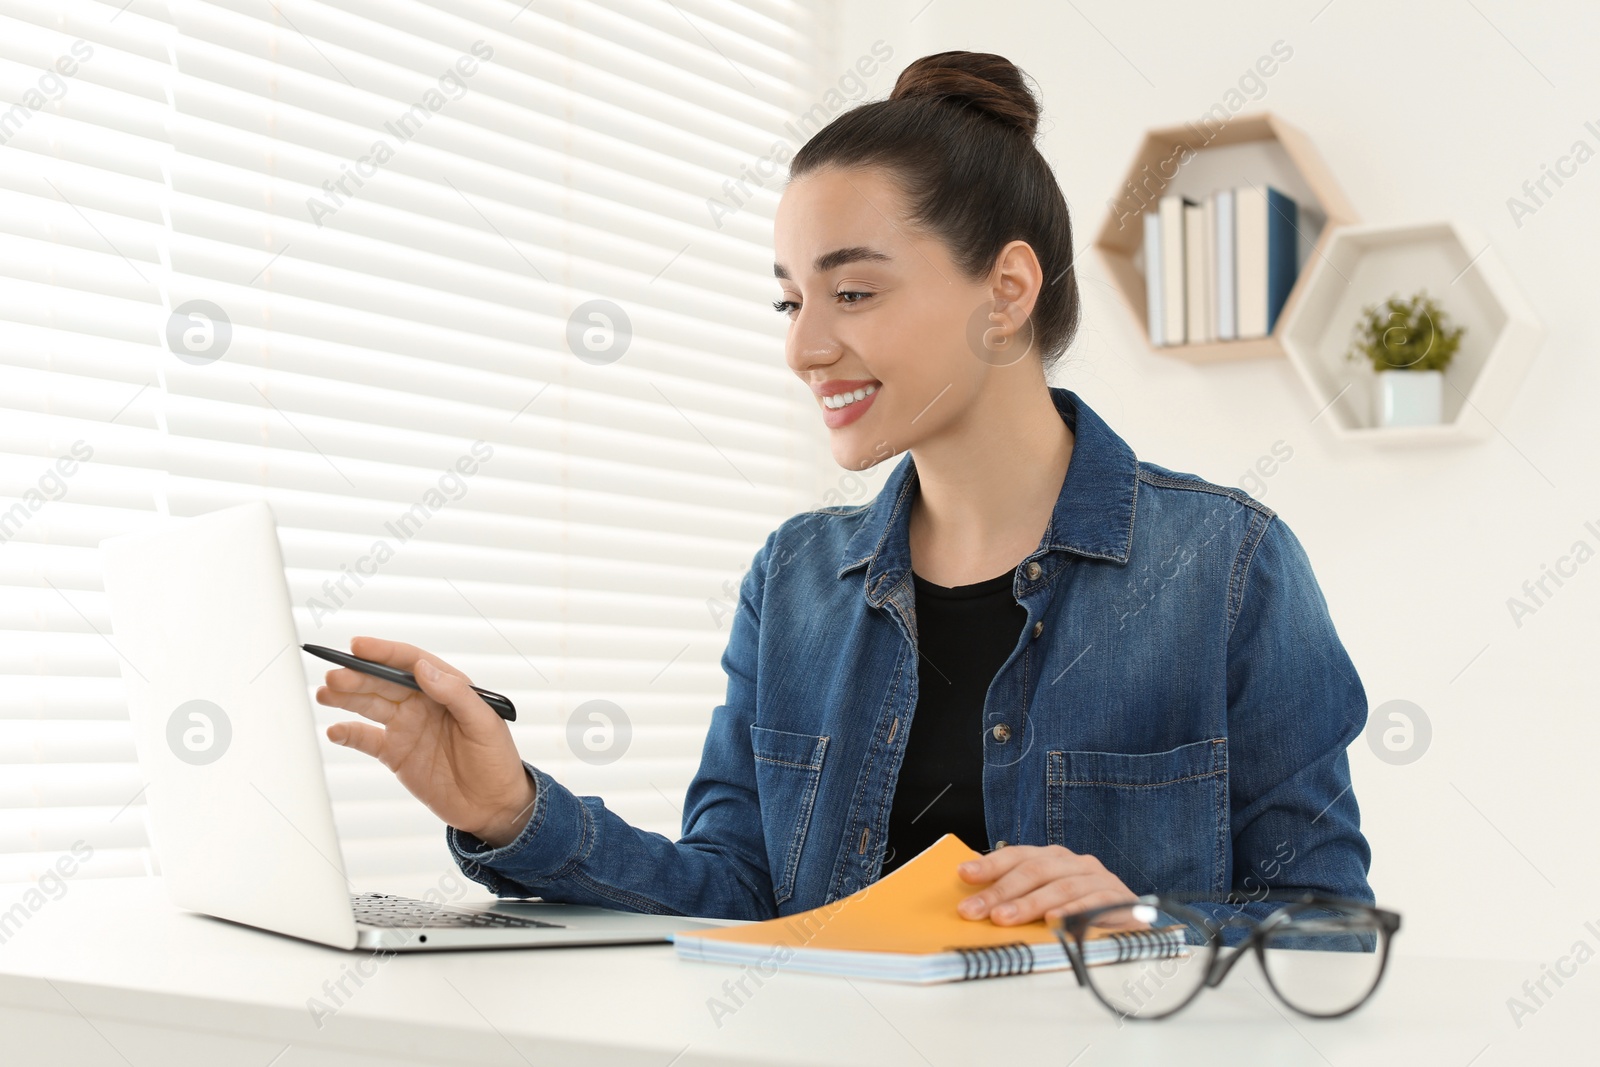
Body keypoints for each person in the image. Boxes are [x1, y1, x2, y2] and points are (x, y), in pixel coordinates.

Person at [316, 51, 1372, 928]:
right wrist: (510, 809)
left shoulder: (1223, 567)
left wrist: (1147, 920)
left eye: (854, 292)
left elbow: (1329, 926)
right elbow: (739, 891)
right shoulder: (796, 580)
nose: (807, 347)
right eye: (789, 303)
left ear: (1004, 292)